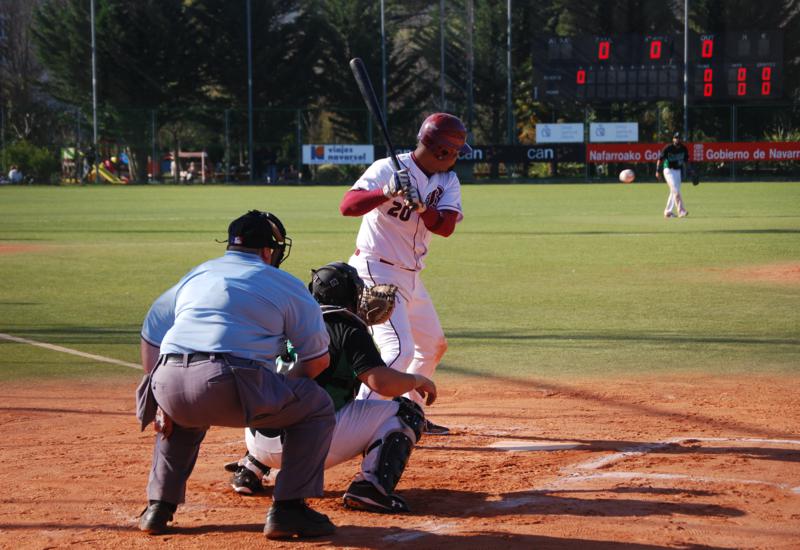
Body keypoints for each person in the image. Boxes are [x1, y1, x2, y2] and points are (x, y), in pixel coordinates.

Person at [136, 210, 337, 540]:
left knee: (183, 419)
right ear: (268, 251)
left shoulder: (196, 274)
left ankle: (158, 506)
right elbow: (316, 363)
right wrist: (279, 390)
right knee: (315, 406)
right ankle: (289, 509)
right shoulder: (285, 283)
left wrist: (161, 400)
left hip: (168, 379)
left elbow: (151, 334)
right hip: (232, 381)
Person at [227, 262, 436, 513]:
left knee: (285, 394)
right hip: (306, 445)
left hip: (256, 436)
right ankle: (371, 487)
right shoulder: (346, 326)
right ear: (347, 294)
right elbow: (381, 382)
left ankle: (251, 467)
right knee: (406, 412)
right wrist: (418, 380)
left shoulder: (286, 322)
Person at [339, 112, 470, 435]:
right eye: (454, 152)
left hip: (410, 275)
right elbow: (348, 206)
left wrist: (423, 208)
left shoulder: (447, 181)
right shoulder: (387, 168)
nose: (456, 158)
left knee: (433, 345)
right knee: (398, 352)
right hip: (375, 269)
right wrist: (386, 192)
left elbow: (447, 227)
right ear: (442, 151)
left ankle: (410, 412)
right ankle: (352, 424)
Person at [656, 131, 690, 218]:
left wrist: (692, 171)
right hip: (668, 170)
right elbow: (660, 159)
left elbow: (686, 161)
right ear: (673, 139)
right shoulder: (668, 148)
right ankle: (681, 210)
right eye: (675, 137)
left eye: (678, 138)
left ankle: (668, 212)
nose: (677, 139)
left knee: (674, 191)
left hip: (677, 171)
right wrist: (657, 171)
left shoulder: (683, 149)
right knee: (675, 190)